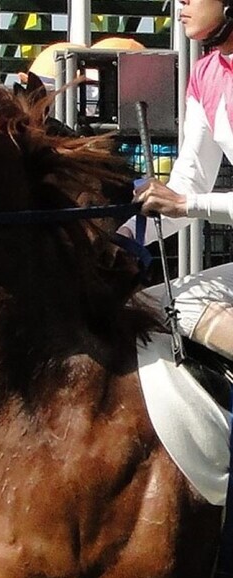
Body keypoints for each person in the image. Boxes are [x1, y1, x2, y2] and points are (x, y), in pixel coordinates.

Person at [118, 0, 233, 361]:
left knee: (176, 302)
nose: (180, 2)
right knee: (159, 304)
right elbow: (187, 186)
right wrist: (119, 235)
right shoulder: (204, 73)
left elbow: (186, 201)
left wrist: (186, 205)